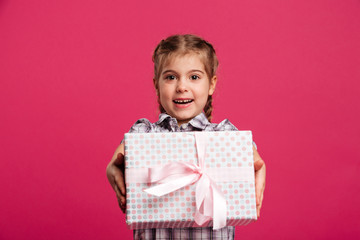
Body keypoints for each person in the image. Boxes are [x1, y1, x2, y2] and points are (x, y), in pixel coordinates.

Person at [106, 34, 266, 239]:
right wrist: (112, 167)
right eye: (171, 77)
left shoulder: (224, 136)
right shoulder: (143, 134)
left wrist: (260, 166)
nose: (182, 86)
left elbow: (252, 158)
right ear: (157, 84)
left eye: (194, 77)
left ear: (211, 85)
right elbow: (119, 159)